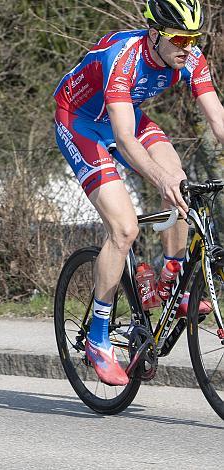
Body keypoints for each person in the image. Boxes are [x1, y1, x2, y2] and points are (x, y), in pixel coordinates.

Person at [53, 0, 224, 386]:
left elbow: (217, 119)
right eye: (180, 37)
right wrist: (159, 179)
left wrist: (169, 179)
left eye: (194, 38)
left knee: (181, 181)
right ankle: (98, 338)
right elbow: (127, 141)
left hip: (124, 114)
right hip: (79, 123)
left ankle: (172, 278)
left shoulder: (190, 57)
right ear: (154, 34)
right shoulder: (123, 57)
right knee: (125, 228)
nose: (188, 46)